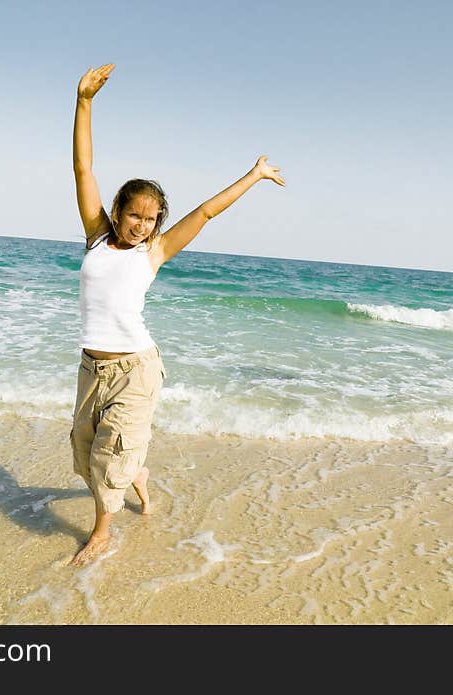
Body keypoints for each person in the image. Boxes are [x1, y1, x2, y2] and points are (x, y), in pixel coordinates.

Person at [69, 62, 285, 565]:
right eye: (133, 215)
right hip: (91, 368)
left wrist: (253, 175)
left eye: (150, 218)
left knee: (108, 456)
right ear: (117, 211)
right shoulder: (96, 238)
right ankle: (138, 476)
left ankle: (102, 532)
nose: (141, 225)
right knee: (85, 451)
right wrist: (85, 102)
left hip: (136, 369)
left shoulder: (155, 252)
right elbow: (83, 169)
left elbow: (207, 211)